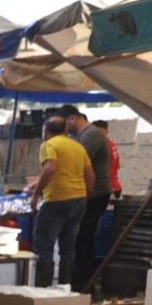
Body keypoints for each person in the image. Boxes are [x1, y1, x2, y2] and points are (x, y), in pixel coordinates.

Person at [24, 116, 93, 290]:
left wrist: (36, 195)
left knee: (43, 245)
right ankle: (65, 287)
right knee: (68, 246)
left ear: (45, 131)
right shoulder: (78, 146)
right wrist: (84, 197)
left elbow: (50, 168)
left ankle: (43, 289)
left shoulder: (49, 145)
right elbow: (91, 176)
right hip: (77, 200)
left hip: (55, 200)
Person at [61, 105, 112, 291]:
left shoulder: (92, 134)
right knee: (77, 236)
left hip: (95, 193)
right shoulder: (76, 137)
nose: (63, 129)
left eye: (64, 124)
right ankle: (75, 279)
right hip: (80, 193)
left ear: (72, 118)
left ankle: (85, 283)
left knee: (84, 235)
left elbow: (76, 162)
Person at [93, 119, 123, 197]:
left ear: (106, 131)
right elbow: (117, 165)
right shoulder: (112, 144)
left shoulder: (103, 146)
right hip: (115, 185)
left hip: (108, 187)